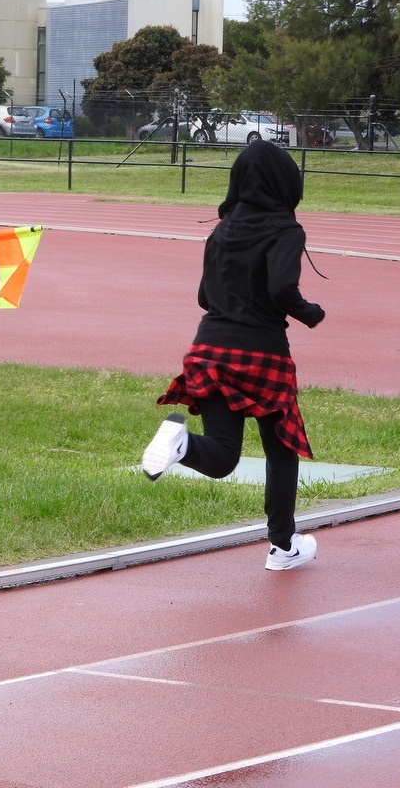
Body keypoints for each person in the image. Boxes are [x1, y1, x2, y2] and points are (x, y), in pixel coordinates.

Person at [142, 140, 325, 571]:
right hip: (263, 354)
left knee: (223, 456)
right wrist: (309, 312)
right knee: (281, 451)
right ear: (286, 181)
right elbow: (282, 288)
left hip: (209, 349)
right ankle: (282, 547)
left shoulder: (220, 230)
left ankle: (181, 443)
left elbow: (205, 295)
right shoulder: (286, 230)